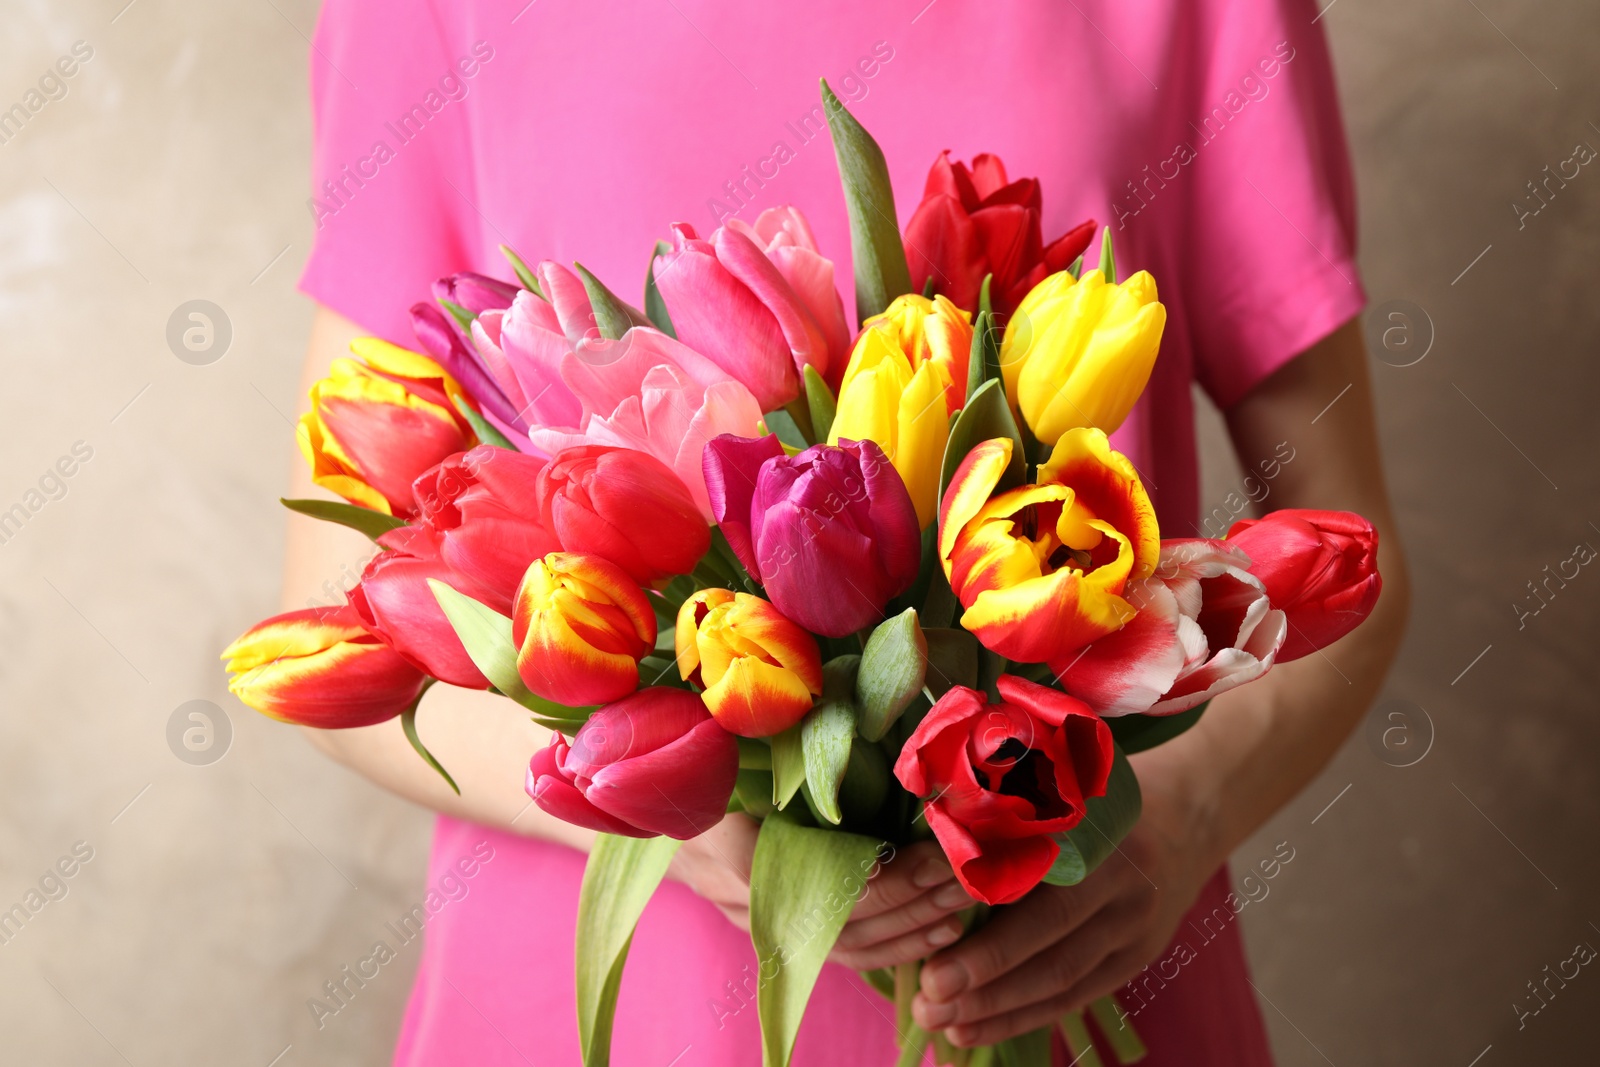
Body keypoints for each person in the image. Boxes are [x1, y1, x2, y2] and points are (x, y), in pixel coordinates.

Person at [282, 1, 1410, 1062]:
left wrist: (1177, 813)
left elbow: (1346, 557)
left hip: (1079, 952)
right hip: (617, 1011)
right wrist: (648, 802)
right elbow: (342, 596)